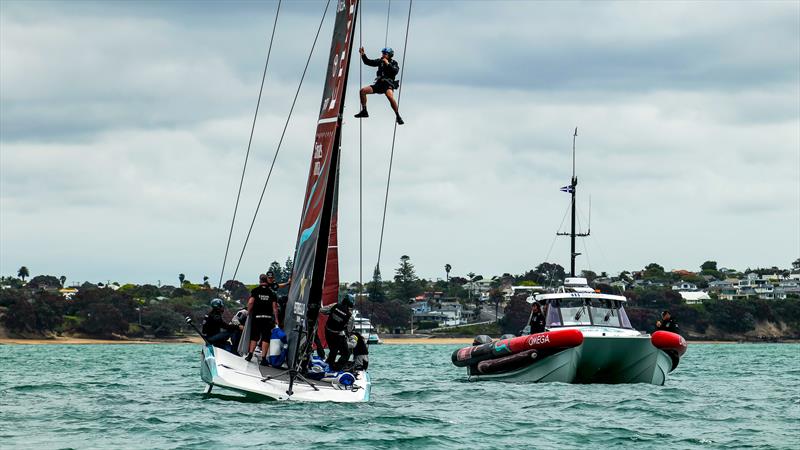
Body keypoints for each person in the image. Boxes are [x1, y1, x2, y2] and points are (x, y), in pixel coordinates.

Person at [354, 47, 404, 125]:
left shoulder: (394, 63)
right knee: (363, 91)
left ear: (390, 55)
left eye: (385, 54)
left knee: (390, 97)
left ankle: (398, 116)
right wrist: (363, 54)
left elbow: (395, 71)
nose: (383, 55)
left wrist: (387, 63)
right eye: (383, 53)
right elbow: (368, 62)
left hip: (388, 84)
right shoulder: (380, 61)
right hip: (379, 84)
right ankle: (364, 111)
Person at [245, 274, 280, 365]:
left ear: (260, 281)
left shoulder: (255, 291)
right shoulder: (272, 292)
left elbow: (250, 302)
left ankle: (250, 354)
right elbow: (274, 307)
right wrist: (276, 319)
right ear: (267, 281)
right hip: (267, 319)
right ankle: (263, 358)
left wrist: (248, 312)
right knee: (266, 338)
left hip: (257, 318)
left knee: (254, 337)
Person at [319, 297, 354, 371]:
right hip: (337, 335)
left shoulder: (335, 305)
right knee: (346, 353)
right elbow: (349, 330)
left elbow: (322, 310)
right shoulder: (350, 316)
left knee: (333, 350)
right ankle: (337, 369)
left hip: (327, 331)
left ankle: (328, 365)